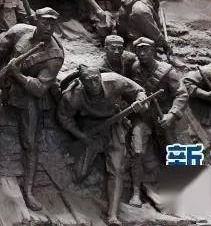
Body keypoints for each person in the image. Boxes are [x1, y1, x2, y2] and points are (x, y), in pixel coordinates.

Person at [0, 8, 65, 210]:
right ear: (36, 21)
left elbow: (39, 88)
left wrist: (17, 75)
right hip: (2, 82)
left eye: (53, 24)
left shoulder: (55, 55)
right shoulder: (19, 31)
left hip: (27, 93)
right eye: (45, 22)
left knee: (30, 142)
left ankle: (29, 191)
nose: (49, 27)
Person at [57, 65, 148, 226]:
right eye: (88, 81)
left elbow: (139, 91)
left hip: (114, 124)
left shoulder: (115, 81)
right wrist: (81, 136)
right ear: (82, 82)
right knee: (79, 174)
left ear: (100, 77)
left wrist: (139, 101)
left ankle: (113, 216)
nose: (93, 85)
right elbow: (64, 117)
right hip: (90, 128)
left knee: (116, 169)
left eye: (96, 80)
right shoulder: (73, 95)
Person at [126, 37, 188, 207]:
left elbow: (181, 94)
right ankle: (136, 193)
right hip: (143, 117)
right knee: (137, 150)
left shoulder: (167, 71)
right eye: (139, 50)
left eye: (146, 50)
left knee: (175, 150)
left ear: (153, 51)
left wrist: (172, 115)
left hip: (164, 116)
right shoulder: (134, 68)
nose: (142, 53)